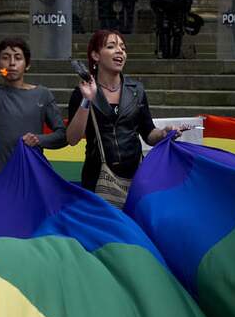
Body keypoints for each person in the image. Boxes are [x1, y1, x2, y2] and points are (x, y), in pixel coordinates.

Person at [66, 30, 187, 204]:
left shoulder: (136, 90)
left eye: (123, 48)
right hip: (97, 179)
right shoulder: (81, 93)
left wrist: (163, 133)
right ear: (95, 55)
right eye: (111, 46)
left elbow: (148, 133)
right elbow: (72, 139)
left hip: (137, 179)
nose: (120, 51)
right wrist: (87, 100)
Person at [0, 0, 67, 178]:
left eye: (18, 57)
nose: (11, 63)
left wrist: (39, 139)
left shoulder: (43, 95)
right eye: (5, 57)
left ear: (27, 64)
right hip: (3, 180)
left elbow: (63, 136)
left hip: (37, 178)